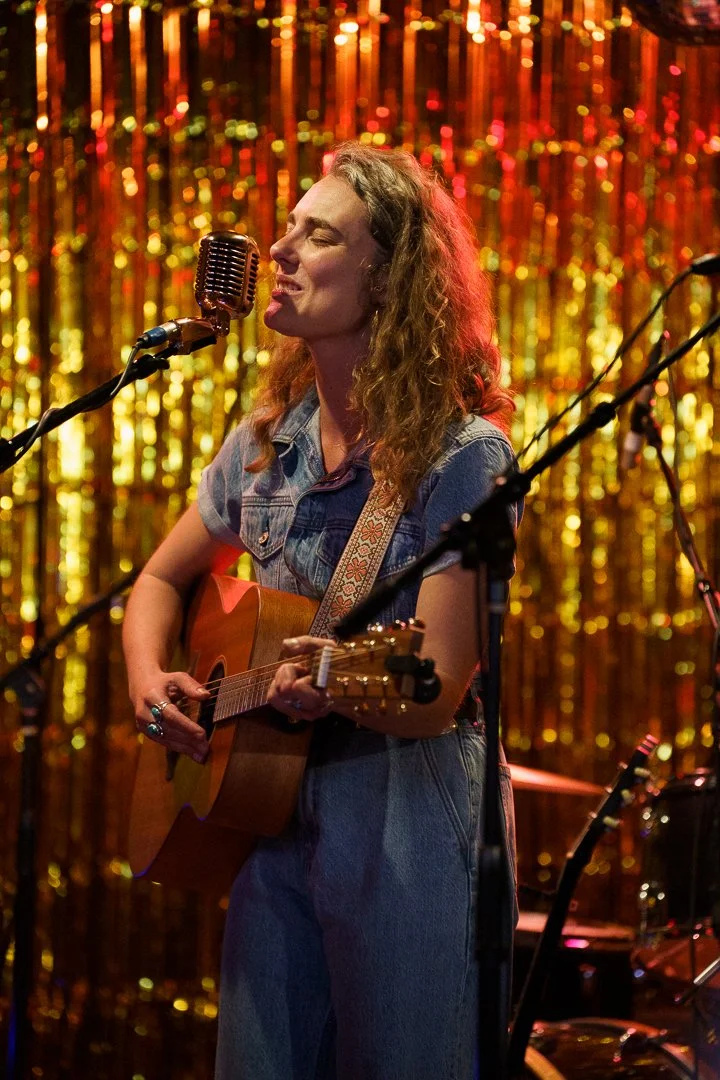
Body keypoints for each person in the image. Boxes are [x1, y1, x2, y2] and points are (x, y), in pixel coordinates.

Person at [122, 141, 520, 1080]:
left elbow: (435, 681)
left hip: (406, 813)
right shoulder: (269, 444)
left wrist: (334, 679)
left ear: (389, 280)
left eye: (319, 234)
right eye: (288, 228)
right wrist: (153, 685)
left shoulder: (462, 455)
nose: (281, 249)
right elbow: (157, 581)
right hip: (270, 809)